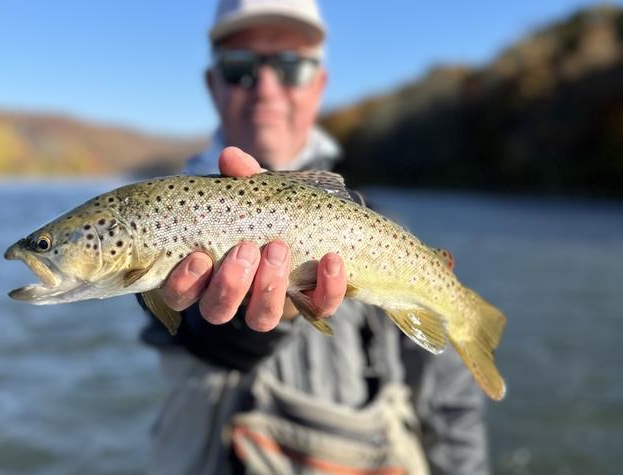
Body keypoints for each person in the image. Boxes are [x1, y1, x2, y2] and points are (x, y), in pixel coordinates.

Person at [139, 1, 491, 474]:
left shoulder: (377, 226)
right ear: (212, 84)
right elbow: (201, 342)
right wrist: (246, 320)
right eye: (240, 68)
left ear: (319, 83)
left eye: (291, 66)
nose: (266, 89)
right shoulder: (161, 218)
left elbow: (450, 407)